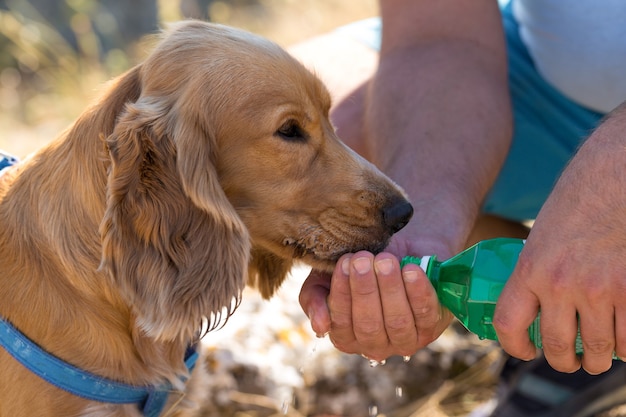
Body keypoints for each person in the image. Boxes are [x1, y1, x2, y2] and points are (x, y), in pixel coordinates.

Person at [291, 0, 626, 415]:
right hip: (550, 76)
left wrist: (612, 191)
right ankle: (559, 326)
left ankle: (595, 318)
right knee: (292, 124)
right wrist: (421, 227)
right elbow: (439, 36)